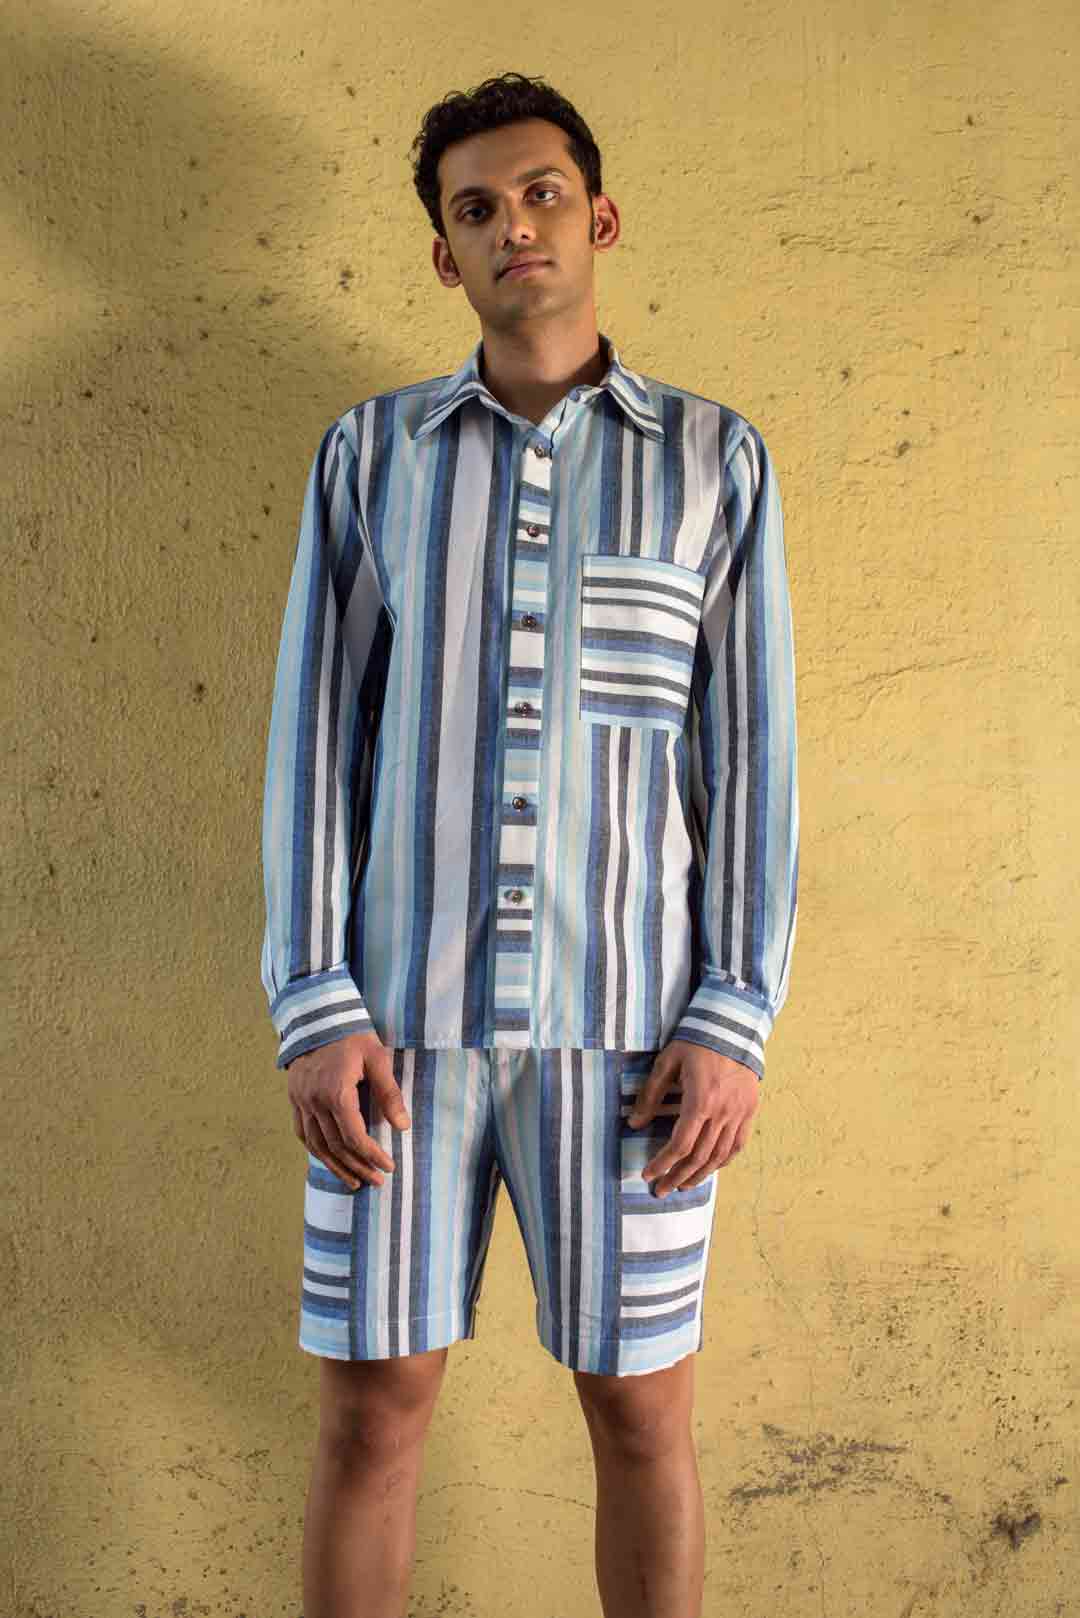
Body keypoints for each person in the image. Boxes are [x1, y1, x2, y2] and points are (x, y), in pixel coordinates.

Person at [260, 69, 799, 1618]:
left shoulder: (714, 462)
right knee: (373, 1414)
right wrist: (314, 1001)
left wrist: (733, 1015)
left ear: (599, 217)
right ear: (446, 255)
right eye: (478, 209)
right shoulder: (371, 458)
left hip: (631, 1044)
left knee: (641, 1414)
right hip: (395, 1041)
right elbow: (314, 744)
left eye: (542, 193)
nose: (516, 227)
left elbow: (751, 759)